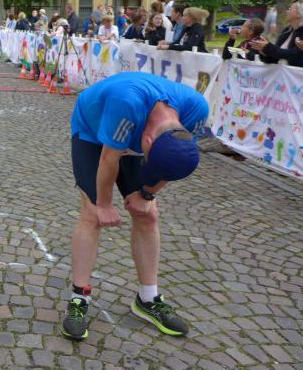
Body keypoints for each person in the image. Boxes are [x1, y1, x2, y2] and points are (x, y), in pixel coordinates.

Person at [62, 71, 208, 341]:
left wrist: (148, 194)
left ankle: (147, 298)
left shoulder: (197, 109)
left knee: (148, 215)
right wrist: (104, 204)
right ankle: (78, 297)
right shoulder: (126, 103)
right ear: (147, 142)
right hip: (93, 133)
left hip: (136, 132)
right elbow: (109, 159)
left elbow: (174, 163)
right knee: (92, 214)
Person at [249, 1, 303, 65]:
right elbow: (274, 58)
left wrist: (268, 47)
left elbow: (296, 56)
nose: (287, 11)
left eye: (290, 9)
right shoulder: (287, 31)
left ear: (299, 13)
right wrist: (263, 50)